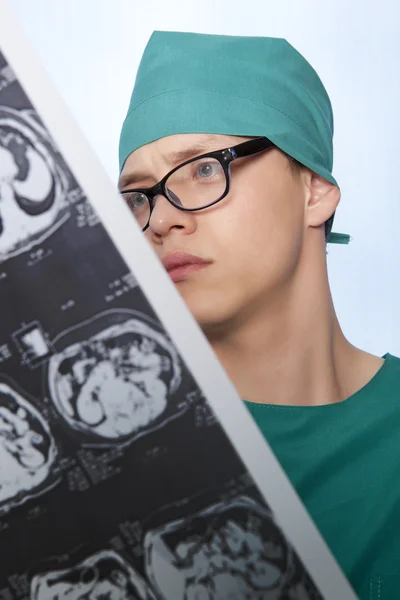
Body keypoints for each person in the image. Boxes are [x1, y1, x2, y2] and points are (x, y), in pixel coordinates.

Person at [117, 31, 400, 599]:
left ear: (314, 189)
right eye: (138, 197)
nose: (162, 220)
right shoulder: (113, 463)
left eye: (201, 169)